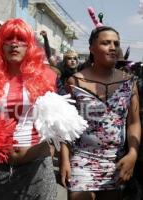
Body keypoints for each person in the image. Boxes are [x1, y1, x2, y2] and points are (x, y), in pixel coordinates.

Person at [0, 18, 60, 200]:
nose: (14, 44)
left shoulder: (47, 76)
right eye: (8, 39)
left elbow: (60, 120)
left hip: (38, 165)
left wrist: (54, 146)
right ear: (0, 45)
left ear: (29, 46)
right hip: (1, 166)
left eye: (21, 39)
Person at [60, 26, 141, 200]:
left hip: (117, 163)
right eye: (106, 43)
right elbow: (65, 126)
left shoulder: (129, 83)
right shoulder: (75, 82)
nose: (113, 47)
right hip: (81, 161)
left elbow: (134, 123)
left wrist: (133, 154)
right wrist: (64, 159)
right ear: (91, 48)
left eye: (116, 43)